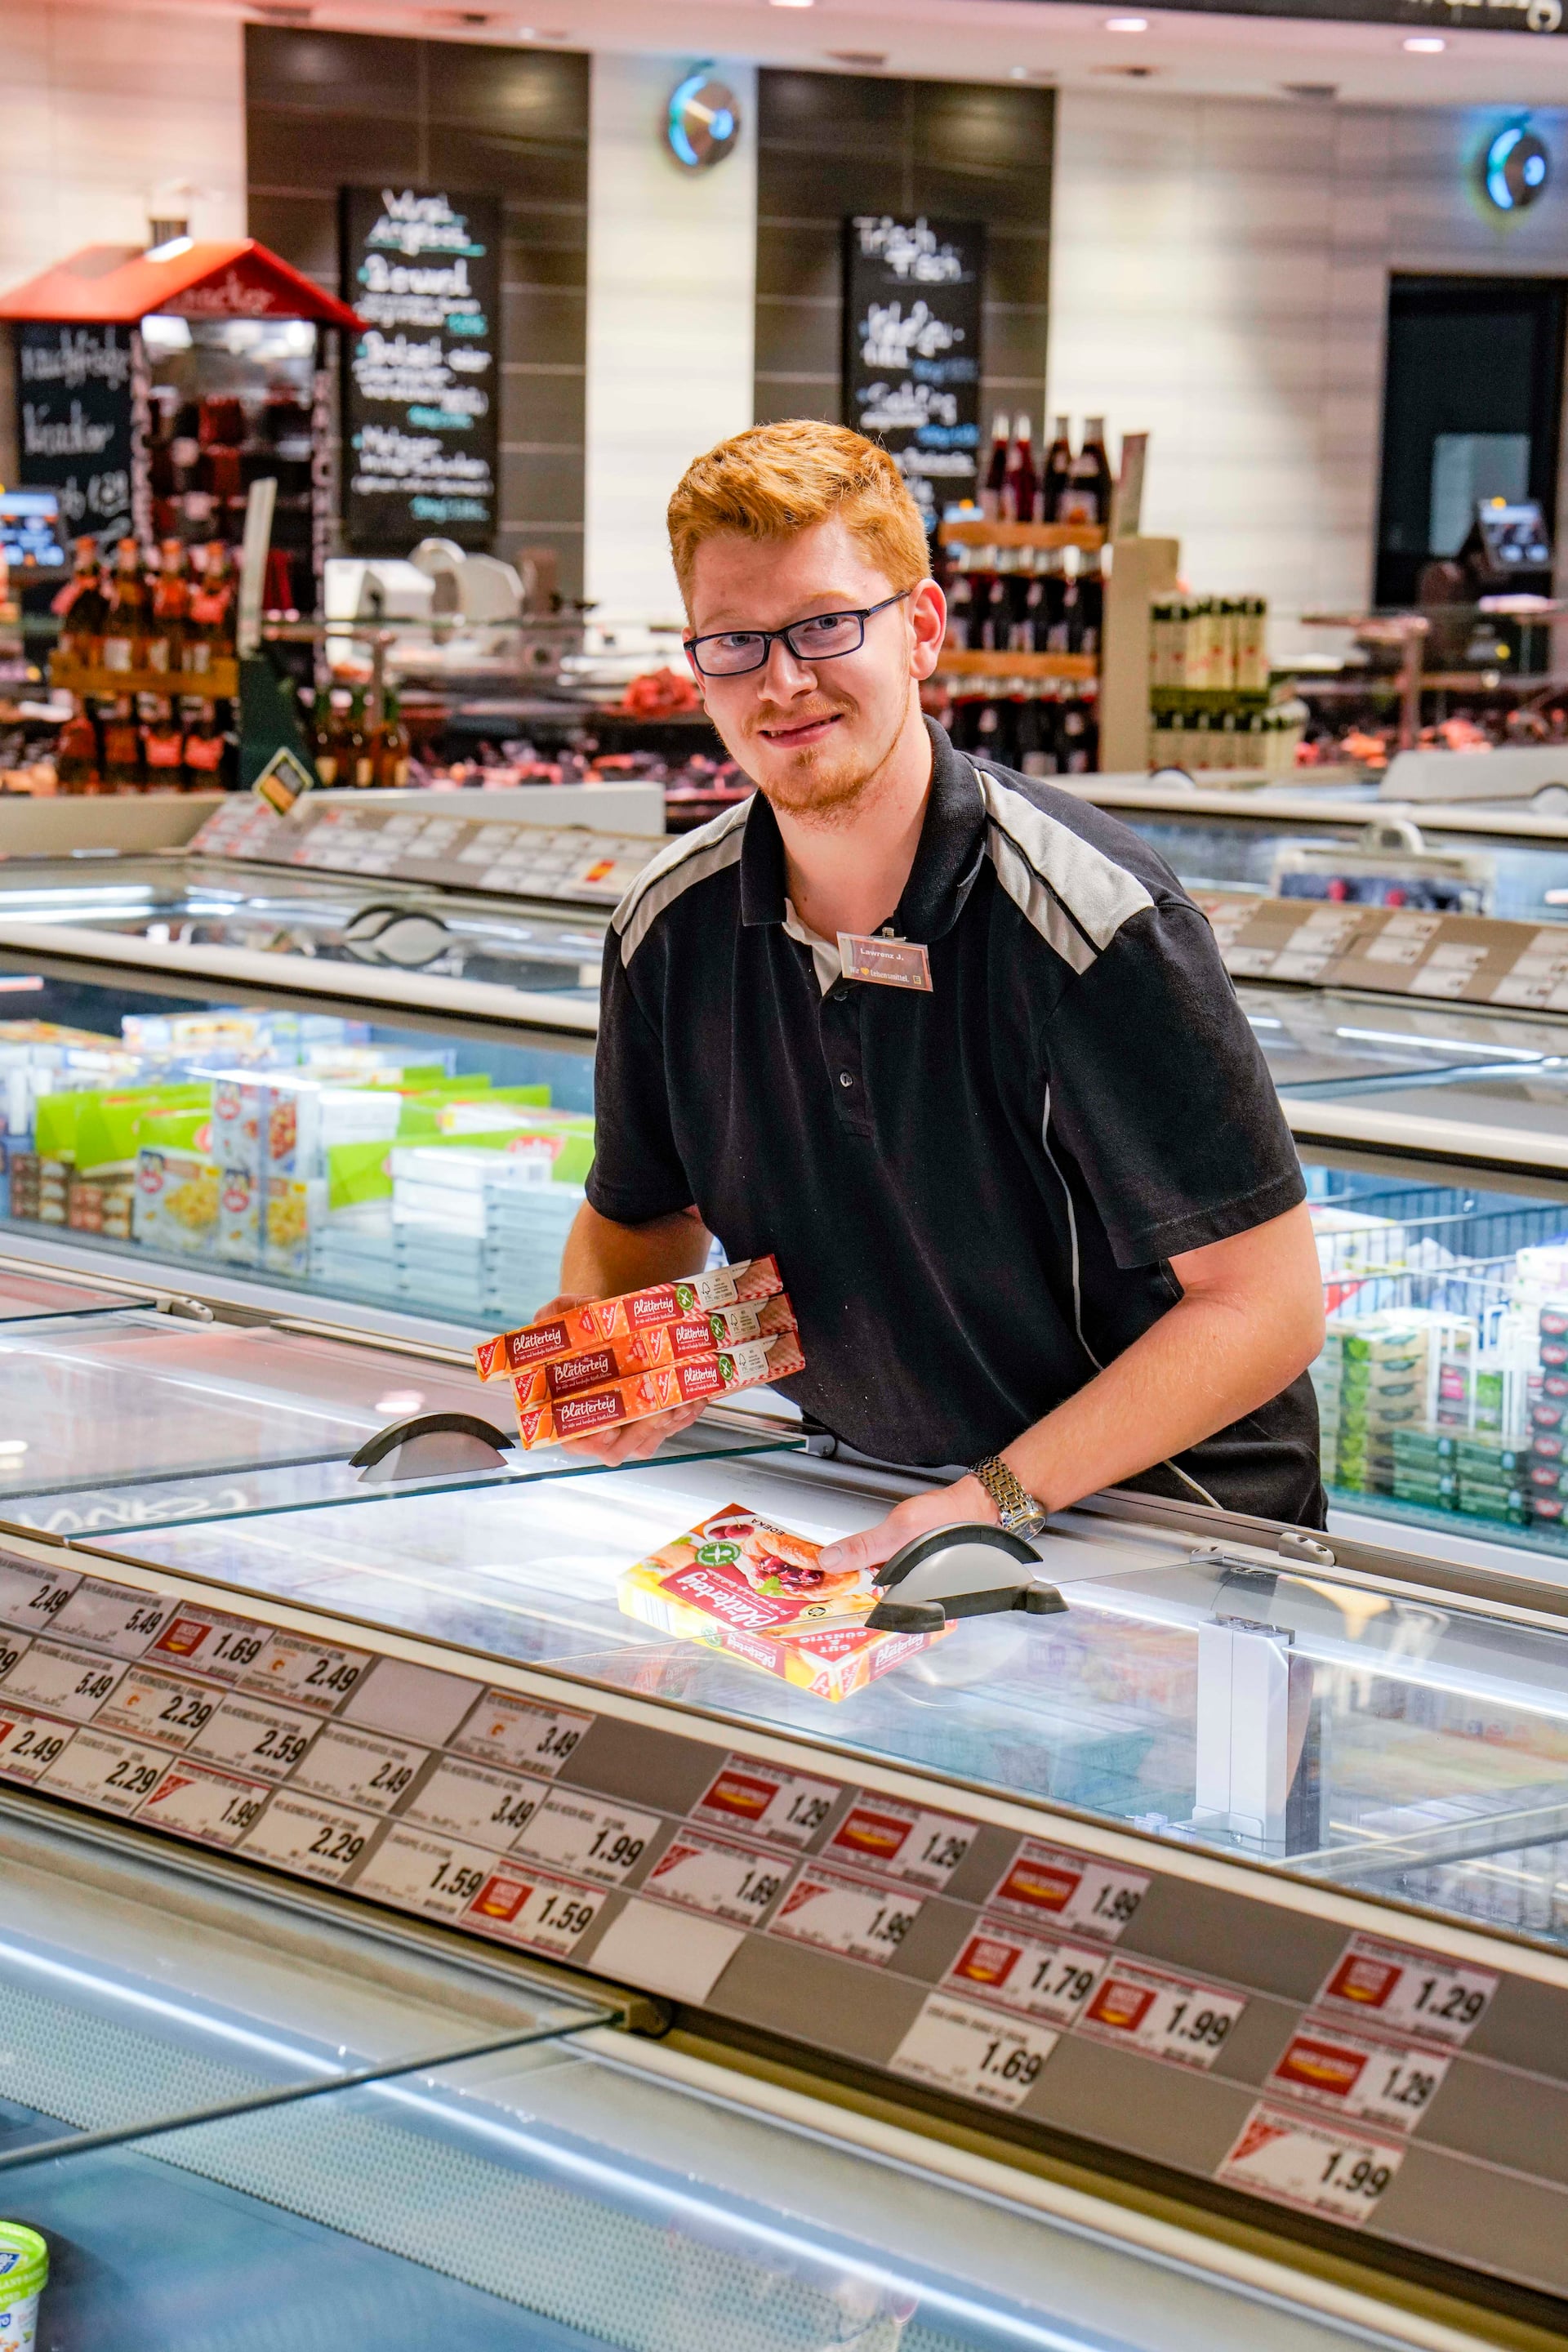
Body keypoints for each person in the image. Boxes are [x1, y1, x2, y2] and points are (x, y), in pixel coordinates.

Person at [540, 419, 1325, 1573]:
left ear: (920, 631)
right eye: (734, 642)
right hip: (871, 1509)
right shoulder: (668, 928)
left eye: (823, 625)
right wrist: (613, 1356)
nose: (782, 681)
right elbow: (642, 1215)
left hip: (1166, 1535)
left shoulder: (1095, 924)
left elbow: (1266, 1305)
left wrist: (989, 1500)